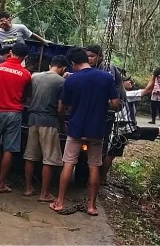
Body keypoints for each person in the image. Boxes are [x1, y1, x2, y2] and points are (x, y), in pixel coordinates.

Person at [50, 47, 119, 216]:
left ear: (73, 64)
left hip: (76, 128)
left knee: (68, 163)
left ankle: (59, 202)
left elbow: (61, 107)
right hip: (96, 130)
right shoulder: (106, 77)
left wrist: (63, 123)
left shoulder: (71, 81)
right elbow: (116, 104)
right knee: (94, 167)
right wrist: (103, 104)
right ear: (87, 60)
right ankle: (91, 206)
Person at [0, 42, 31, 194]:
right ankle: (1, 183)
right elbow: (27, 96)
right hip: (14, 113)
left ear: (11, 52)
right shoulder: (26, 74)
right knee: (9, 149)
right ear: (24, 57)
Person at [23, 55, 69, 202]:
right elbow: (61, 108)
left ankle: (28, 188)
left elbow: (28, 97)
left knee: (30, 155)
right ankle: (44, 193)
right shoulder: (63, 82)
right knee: (49, 158)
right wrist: (62, 124)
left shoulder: (35, 77)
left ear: (50, 66)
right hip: (49, 121)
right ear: (63, 69)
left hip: (32, 120)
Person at [100, 73, 157, 185]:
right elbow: (147, 90)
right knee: (111, 154)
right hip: (125, 128)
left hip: (121, 128)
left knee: (111, 154)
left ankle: (102, 177)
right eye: (127, 80)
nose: (130, 82)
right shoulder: (126, 94)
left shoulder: (116, 95)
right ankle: (101, 177)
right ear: (121, 83)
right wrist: (154, 75)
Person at [85, 45, 127, 186]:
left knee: (102, 143)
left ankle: (98, 175)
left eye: (91, 56)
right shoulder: (93, 67)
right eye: (87, 56)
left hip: (111, 106)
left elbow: (103, 89)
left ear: (100, 56)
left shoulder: (107, 67)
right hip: (101, 106)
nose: (88, 59)